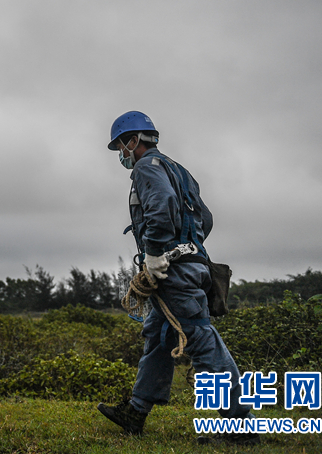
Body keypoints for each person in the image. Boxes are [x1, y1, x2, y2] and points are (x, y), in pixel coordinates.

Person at [97, 111, 258, 446]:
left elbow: (162, 206)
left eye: (120, 146)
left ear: (134, 141)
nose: (121, 154)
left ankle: (241, 427)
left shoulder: (145, 168)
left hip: (173, 273)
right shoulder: (178, 169)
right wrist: (188, 246)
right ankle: (136, 411)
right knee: (157, 335)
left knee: (202, 340)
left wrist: (157, 253)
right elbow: (206, 218)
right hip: (190, 265)